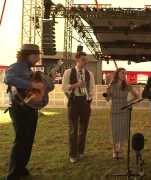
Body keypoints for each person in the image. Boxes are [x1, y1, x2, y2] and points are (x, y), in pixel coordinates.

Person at [4, 44, 55, 180]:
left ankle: (21, 168)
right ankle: (13, 174)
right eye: (36, 55)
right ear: (28, 55)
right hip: (19, 108)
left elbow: (47, 87)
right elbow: (8, 78)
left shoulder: (30, 71)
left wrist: (50, 80)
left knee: (28, 139)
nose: (38, 58)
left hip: (30, 108)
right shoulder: (17, 66)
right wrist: (31, 85)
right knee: (21, 140)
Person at [62, 51, 95, 163]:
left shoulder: (89, 74)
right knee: (73, 130)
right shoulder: (68, 72)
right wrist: (76, 85)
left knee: (83, 129)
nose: (85, 62)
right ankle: (73, 154)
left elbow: (92, 88)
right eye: (83, 60)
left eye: (86, 60)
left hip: (85, 102)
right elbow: (64, 87)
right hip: (74, 102)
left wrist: (89, 98)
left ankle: (81, 152)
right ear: (77, 59)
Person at [104, 68, 139, 159]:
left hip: (124, 109)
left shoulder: (127, 85)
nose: (124, 75)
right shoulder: (112, 85)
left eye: (125, 73)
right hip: (114, 110)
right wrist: (107, 91)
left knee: (123, 130)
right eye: (122, 73)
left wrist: (128, 102)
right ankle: (114, 150)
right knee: (115, 130)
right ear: (117, 74)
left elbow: (137, 96)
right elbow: (107, 99)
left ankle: (120, 149)